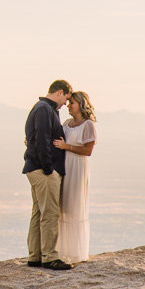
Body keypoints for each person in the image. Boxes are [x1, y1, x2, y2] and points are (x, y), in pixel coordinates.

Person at [23, 80, 71, 270]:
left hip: (33, 167)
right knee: (50, 213)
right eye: (66, 98)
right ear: (60, 93)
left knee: (38, 212)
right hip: (43, 170)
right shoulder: (44, 109)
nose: (66, 104)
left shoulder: (42, 108)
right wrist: (48, 168)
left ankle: (35, 256)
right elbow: (42, 140)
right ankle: (50, 256)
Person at [53, 91, 98, 265]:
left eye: (72, 103)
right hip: (64, 166)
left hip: (77, 168)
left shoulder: (88, 125)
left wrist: (67, 146)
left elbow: (88, 151)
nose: (68, 106)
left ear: (80, 104)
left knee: (75, 206)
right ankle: (62, 251)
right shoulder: (66, 124)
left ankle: (76, 252)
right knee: (63, 207)